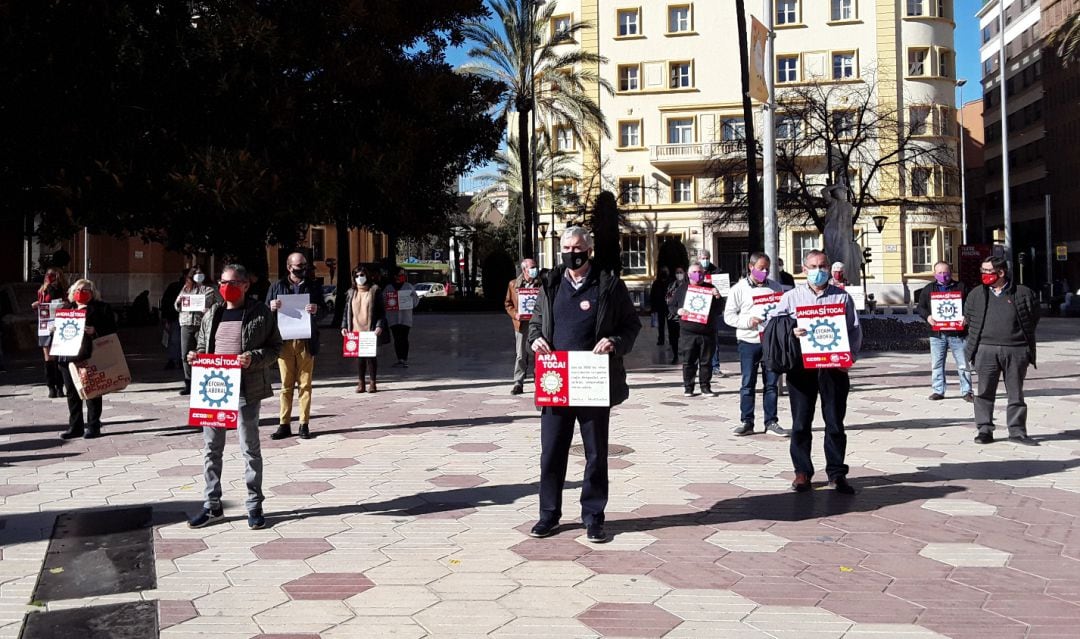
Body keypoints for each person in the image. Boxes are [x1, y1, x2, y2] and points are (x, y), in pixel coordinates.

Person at [527, 226, 641, 543]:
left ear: (588, 249)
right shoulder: (549, 284)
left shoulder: (608, 285)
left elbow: (631, 325)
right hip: (557, 381)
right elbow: (535, 324)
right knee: (551, 452)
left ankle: (593, 516)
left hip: (593, 381)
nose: (571, 253)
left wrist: (614, 342)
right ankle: (548, 515)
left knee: (595, 453)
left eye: (576, 247)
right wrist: (535, 340)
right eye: (565, 247)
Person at [187, 264, 282, 530]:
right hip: (213, 388)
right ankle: (212, 505)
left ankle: (254, 505)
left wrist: (254, 358)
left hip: (246, 388)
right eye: (222, 281)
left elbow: (276, 347)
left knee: (249, 449)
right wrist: (195, 356)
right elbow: (203, 345)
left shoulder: (260, 313)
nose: (225, 286)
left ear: (245, 285)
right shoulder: (213, 313)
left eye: (232, 282)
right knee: (211, 449)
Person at [768, 250, 861, 495]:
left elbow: (854, 329)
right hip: (801, 368)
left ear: (829, 268)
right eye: (813, 266)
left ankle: (837, 473)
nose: (818, 270)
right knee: (800, 423)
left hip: (834, 368)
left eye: (822, 265)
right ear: (804, 268)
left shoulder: (842, 298)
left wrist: (849, 357)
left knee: (834, 422)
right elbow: (773, 326)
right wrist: (791, 330)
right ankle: (802, 472)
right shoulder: (791, 297)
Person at [964, 256, 1040, 446]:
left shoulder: (1023, 293)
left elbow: (1033, 318)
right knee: (984, 392)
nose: (984, 275)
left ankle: (1017, 432)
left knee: (1016, 393)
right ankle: (984, 430)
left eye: (988, 271)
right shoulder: (976, 294)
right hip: (985, 350)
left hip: (1016, 350)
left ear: (1001, 272)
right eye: (982, 271)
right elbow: (969, 318)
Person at [724, 252, 788, 437]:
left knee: (771, 384)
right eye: (761, 268)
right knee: (747, 383)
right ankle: (747, 421)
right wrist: (747, 322)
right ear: (751, 267)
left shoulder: (776, 287)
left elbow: (782, 312)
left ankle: (771, 422)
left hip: (770, 342)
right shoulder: (739, 289)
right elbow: (729, 316)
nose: (765, 272)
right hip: (748, 341)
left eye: (767, 268)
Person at [267, 252, 328, 440]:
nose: (302, 269)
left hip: (306, 341)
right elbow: (264, 311)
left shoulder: (313, 286)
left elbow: (324, 311)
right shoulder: (277, 286)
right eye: (298, 266)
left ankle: (304, 423)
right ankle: (284, 424)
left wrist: (317, 310)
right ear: (289, 267)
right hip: (283, 341)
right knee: (285, 385)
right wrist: (271, 307)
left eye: (304, 266)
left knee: (305, 384)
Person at [54, 279, 117, 439]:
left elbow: (111, 330)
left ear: (92, 292)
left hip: (89, 355)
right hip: (67, 356)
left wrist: (95, 331)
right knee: (72, 392)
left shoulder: (102, 308)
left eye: (86, 289)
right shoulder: (67, 309)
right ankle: (75, 426)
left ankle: (93, 425)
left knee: (92, 391)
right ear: (72, 292)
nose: (81, 292)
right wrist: (54, 328)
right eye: (78, 289)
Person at [915, 261, 972, 402]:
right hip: (937, 334)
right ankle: (938, 390)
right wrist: (928, 317)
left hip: (958, 334)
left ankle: (967, 391)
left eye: (945, 272)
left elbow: (971, 306)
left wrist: (966, 317)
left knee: (963, 364)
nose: (943, 275)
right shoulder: (928, 289)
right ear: (935, 274)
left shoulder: (961, 287)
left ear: (950, 272)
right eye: (939, 273)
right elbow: (920, 307)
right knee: (937, 364)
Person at [670, 262, 723, 397]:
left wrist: (717, 297)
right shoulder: (682, 289)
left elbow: (719, 309)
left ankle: (705, 386)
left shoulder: (711, 288)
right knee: (688, 361)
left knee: (706, 362)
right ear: (688, 274)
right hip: (688, 333)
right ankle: (689, 387)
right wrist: (678, 311)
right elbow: (671, 306)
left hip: (707, 332)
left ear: (704, 274)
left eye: (700, 272)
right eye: (694, 272)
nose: (697, 275)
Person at [174, 265, 221, 396]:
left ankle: (205, 381)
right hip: (187, 323)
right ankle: (189, 383)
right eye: (196, 273)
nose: (198, 275)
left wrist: (210, 311)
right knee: (185, 355)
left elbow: (220, 304)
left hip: (203, 325)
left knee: (203, 353)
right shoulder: (186, 288)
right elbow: (177, 304)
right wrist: (181, 304)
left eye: (201, 272)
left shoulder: (210, 289)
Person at [341, 265, 387, 393]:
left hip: (370, 330)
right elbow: (346, 312)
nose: (359, 278)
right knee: (359, 358)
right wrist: (344, 326)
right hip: (355, 330)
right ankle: (360, 382)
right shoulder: (351, 292)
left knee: (371, 357)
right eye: (356, 276)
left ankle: (372, 382)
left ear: (367, 276)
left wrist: (379, 326)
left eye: (362, 275)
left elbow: (381, 312)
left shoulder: (374, 290)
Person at [504, 258, 542, 395]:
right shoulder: (514, 284)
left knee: (539, 353)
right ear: (524, 270)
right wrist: (515, 314)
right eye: (532, 267)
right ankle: (518, 383)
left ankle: (540, 381)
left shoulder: (542, 284)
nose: (534, 270)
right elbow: (508, 304)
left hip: (539, 324)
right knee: (521, 354)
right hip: (522, 324)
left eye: (535, 267)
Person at [32, 267, 68, 398]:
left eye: (52, 275)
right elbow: (41, 305)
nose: (49, 277)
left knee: (59, 357)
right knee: (49, 358)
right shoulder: (42, 290)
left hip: (59, 324)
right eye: (47, 275)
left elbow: (69, 303)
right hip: (46, 325)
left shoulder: (64, 290)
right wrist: (37, 305)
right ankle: (51, 387)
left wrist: (65, 304)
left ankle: (60, 387)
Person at [386, 268, 420, 368]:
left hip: (405, 318)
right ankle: (399, 358)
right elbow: (383, 301)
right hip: (393, 318)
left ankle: (404, 359)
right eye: (400, 274)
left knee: (404, 338)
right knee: (396, 338)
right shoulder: (388, 288)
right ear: (395, 275)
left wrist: (410, 299)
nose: (402, 276)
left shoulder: (408, 286)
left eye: (403, 274)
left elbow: (416, 301)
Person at [161, 274, 185, 369]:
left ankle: (175, 359)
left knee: (174, 340)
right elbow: (167, 302)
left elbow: (165, 301)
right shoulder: (176, 287)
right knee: (175, 339)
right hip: (176, 317)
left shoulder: (174, 286)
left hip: (176, 317)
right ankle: (176, 360)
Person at [664, 267, 686, 364]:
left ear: (684, 273)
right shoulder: (671, 286)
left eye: (681, 272)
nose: (679, 274)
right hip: (672, 316)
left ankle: (687, 355)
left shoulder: (688, 286)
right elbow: (667, 299)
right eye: (677, 272)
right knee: (673, 337)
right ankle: (675, 355)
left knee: (685, 337)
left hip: (685, 316)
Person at [648, 268, 671, 346]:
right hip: (660, 307)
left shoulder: (670, 282)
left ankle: (671, 340)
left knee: (670, 324)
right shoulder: (656, 283)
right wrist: (653, 308)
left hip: (669, 308)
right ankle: (661, 340)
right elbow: (652, 296)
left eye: (666, 272)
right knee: (661, 325)